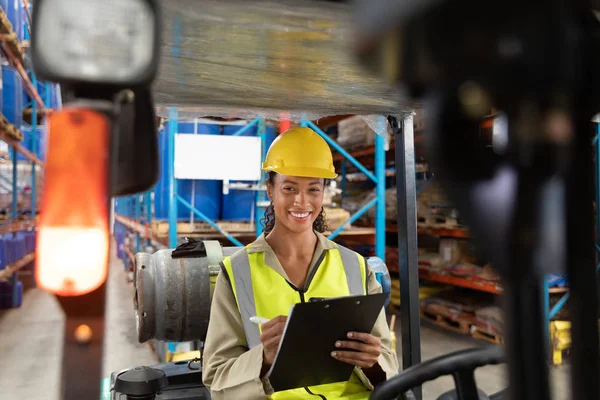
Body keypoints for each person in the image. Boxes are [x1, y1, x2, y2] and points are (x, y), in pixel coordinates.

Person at [202, 126, 399, 399]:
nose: (301, 201)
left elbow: (388, 362)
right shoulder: (237, 272)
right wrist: (265, 358)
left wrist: (373, 362)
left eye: (313, 189)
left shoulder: (355, 266)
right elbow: (217, 378)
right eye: (289, 188)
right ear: (270, 189)